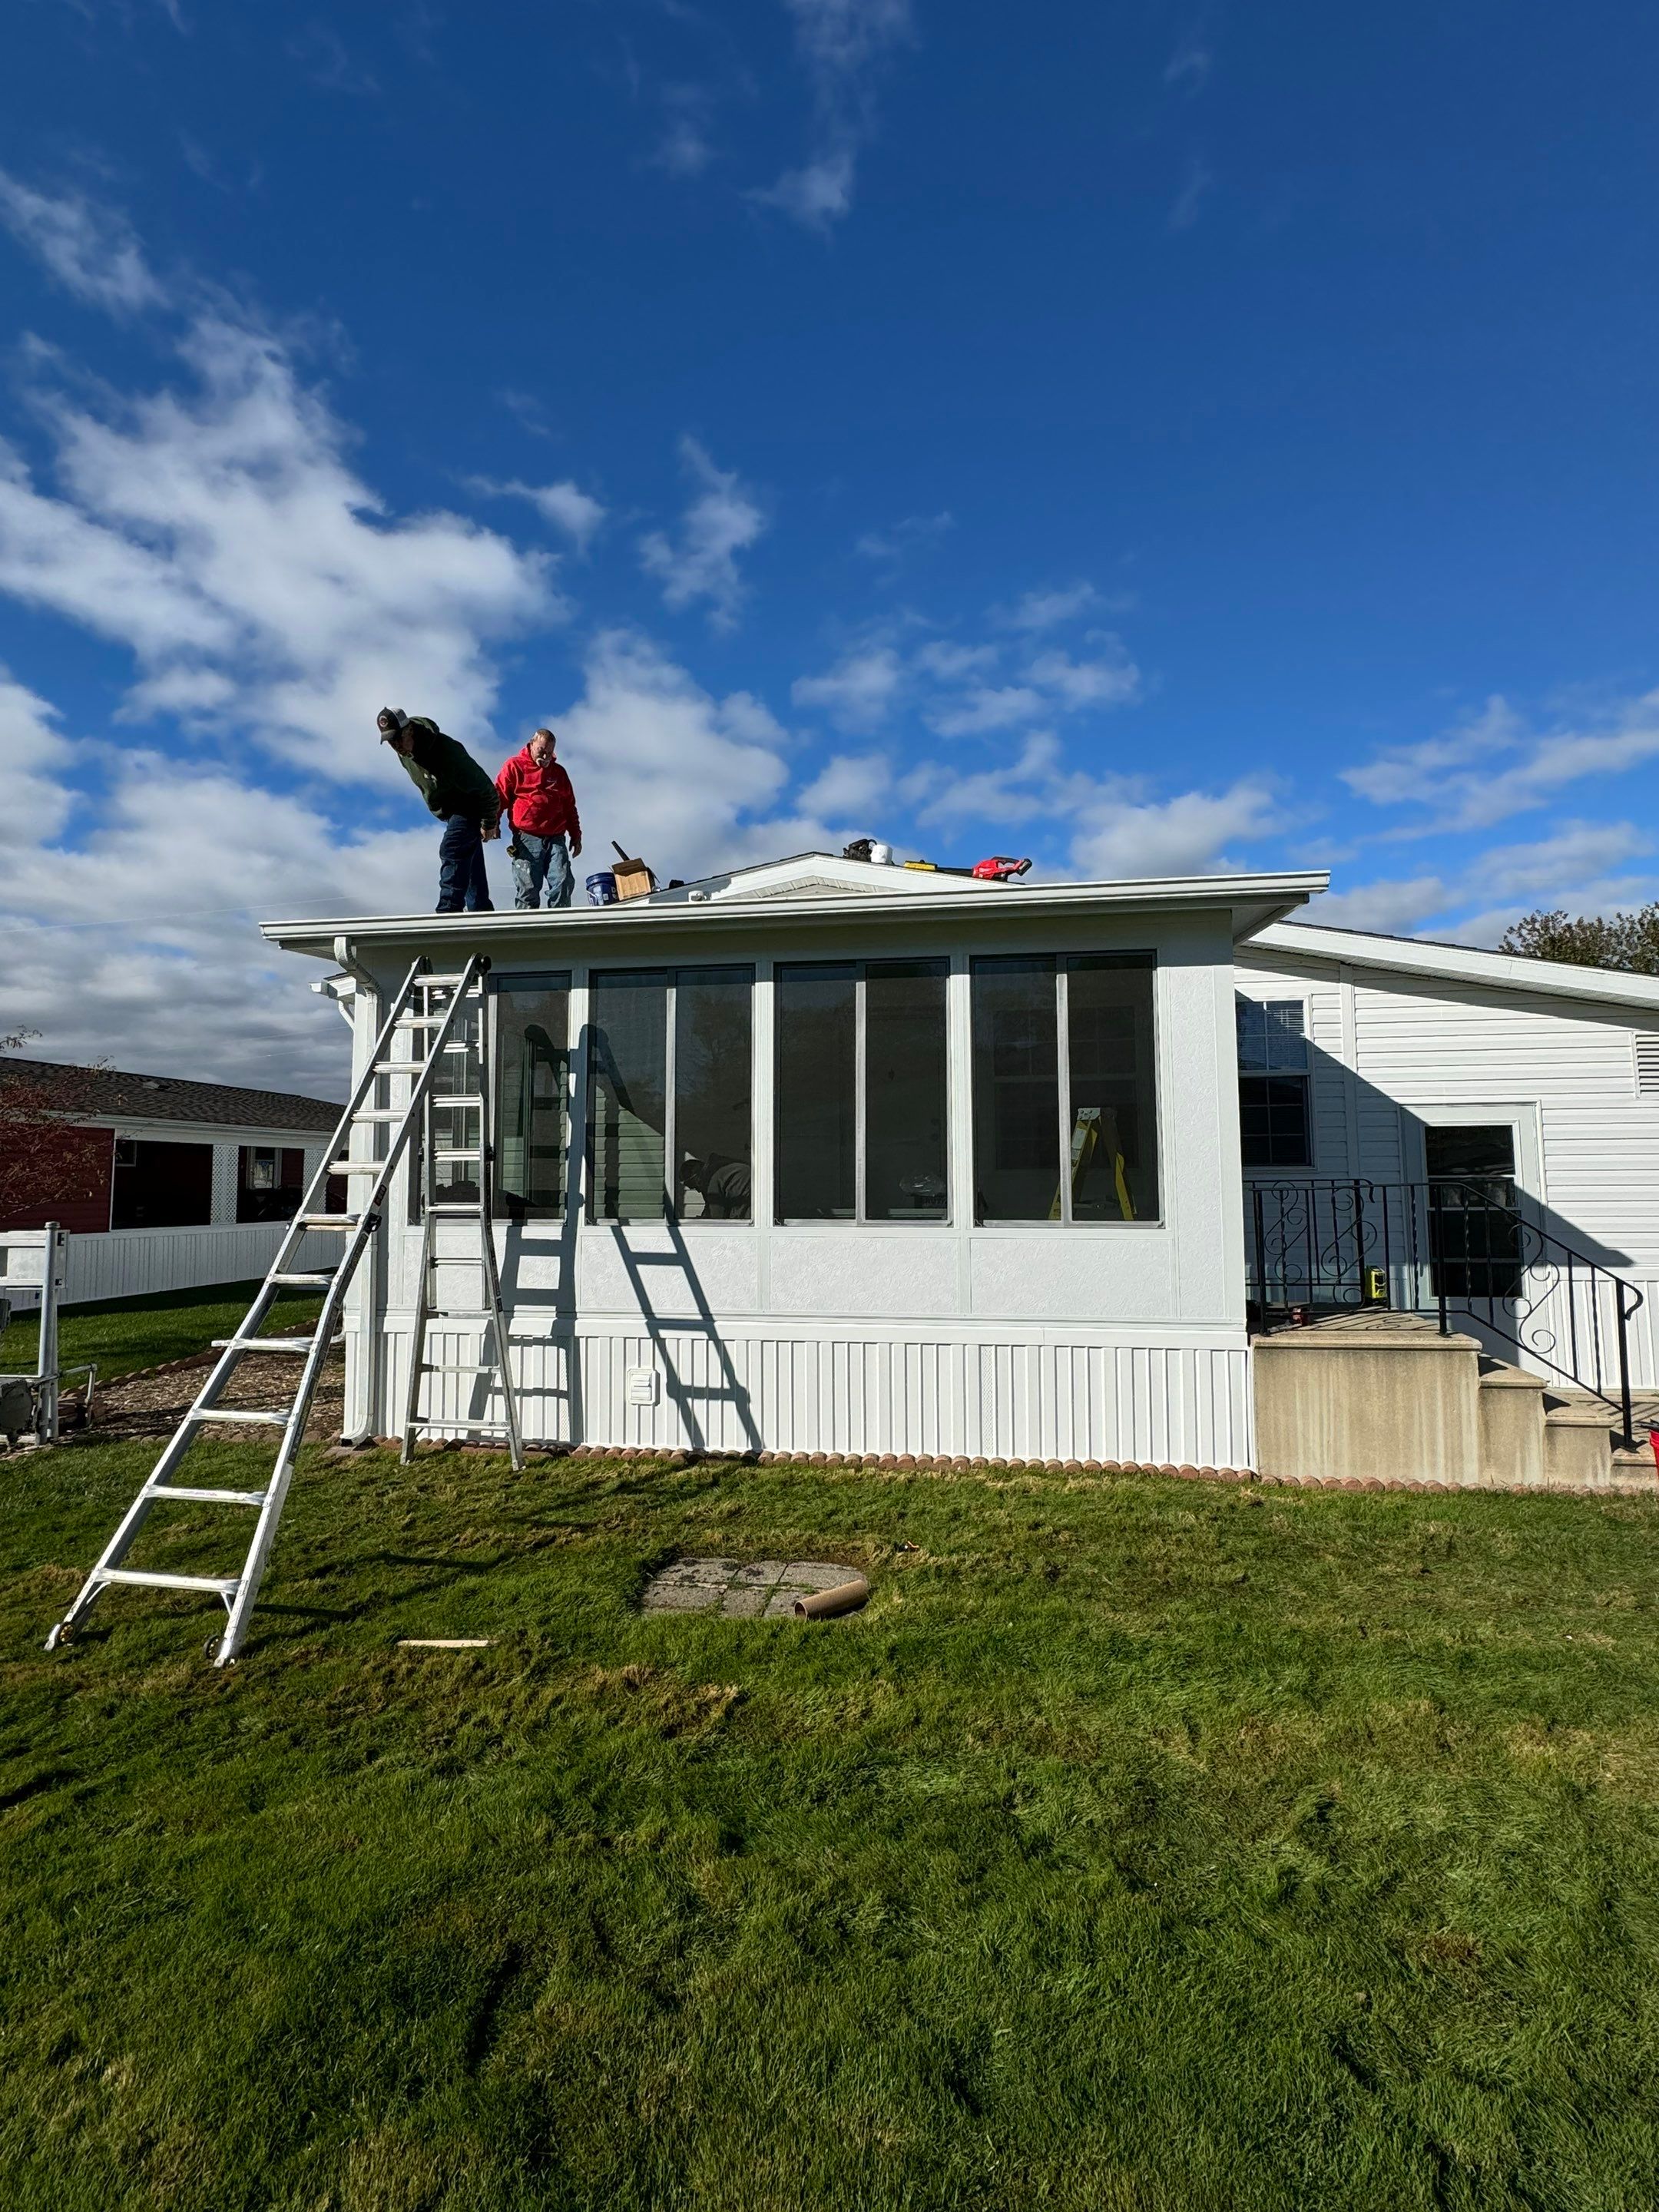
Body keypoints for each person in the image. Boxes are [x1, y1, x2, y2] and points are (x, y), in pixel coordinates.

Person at [377, 708, 502, 913]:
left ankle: (448, 911)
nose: (396, 746)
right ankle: (482, 914)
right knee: (469, 866)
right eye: (391, 742)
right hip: (450, 812)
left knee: (452, 848)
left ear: (409, 730)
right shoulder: (404, 754)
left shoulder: (447, 751)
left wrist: (489, 824)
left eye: (398, 738)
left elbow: (488, 791)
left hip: (470, 805)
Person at [495, 725, 583, 910]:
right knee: (528, 888)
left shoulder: (559, 773)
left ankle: (559, 926)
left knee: (563, 881)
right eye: (541, 751)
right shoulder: (514, 765)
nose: (545, 756)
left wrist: (576, 835)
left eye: (549, 753)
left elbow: (569, 807)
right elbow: (500, 796)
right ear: (531, 745)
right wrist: (492, 822)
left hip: (556, 837)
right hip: (527, 837)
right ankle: (526, 932)